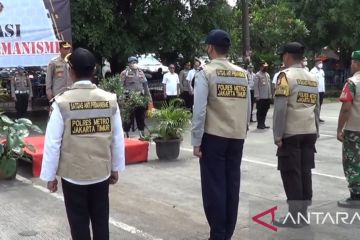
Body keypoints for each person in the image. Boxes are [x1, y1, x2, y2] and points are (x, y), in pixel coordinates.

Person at [40, 47, 125, 240]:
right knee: (101, 221)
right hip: (100, 173)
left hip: (73, 175)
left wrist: (50, 176)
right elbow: (117, 139)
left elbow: (53, 143)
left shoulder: (61, 103)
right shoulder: (110, 100)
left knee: (78, 224)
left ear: (70, 71)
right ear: (94, 70)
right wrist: (115, 168)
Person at [192, 29, 250, 240]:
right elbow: (248, 106)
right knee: (232, 184)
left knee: (214, 187)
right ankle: (227, 233)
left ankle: (217, 234)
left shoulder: (206, 72)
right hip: (236, 136)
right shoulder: (242, 73)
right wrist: (242, 130)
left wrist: (196, 141)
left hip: (214, 137)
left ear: (210, 48)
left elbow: (199, 110)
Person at [272, 42, 319, 228]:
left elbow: (280, 108)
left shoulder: (285, 77)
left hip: (292, 133)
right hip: (309, 131)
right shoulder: (312, 78)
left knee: (292, 174)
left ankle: (294, 217)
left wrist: (277, 134)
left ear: (287, 56)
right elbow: (317, 108)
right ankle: (303, 214)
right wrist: (316, 130)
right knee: (305, 172)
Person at [337, 50, 360, 208]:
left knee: (352, 162)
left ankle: (356, 196)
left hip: (354, 130)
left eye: (352, 62)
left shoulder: (352, 82)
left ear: (357, 63)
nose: (351, 64)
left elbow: (346, 108)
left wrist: (340, 128)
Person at [120, 56, 152, 138]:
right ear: (129, 64)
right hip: (129, 97)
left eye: (135, 62)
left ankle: (141, 133)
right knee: (128, 116)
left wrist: (149, 98)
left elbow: (145, 85)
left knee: (140, 116)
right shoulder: (124, 73)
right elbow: (120, 86)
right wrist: (121, 98)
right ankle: (126, 133)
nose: (133, 64)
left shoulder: (141, 72)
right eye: (132, 62)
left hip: (140, 97)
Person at [254, 62, 272, 129]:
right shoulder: (257, 75)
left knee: (265, 110)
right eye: (264, 66)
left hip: (267, 96)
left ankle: (263, 123)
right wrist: (257, 96)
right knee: (260, 111)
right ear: (261, 67)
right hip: (261, 97)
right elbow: (256, 86)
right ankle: (259, 124)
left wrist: (270, 95)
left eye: (266, 66)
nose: (265, 68)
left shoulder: (267, 75)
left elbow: (269, 86)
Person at [310, 58, 325, 122]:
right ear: (316, 63)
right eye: (319, 62)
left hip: (321, 90)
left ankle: (318, 117)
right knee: (315, 105)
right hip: (316, 90)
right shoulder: (312, 71)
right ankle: (313, 117)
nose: (321, 64)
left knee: (320, 104)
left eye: (321, 63)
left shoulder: (322, 71)